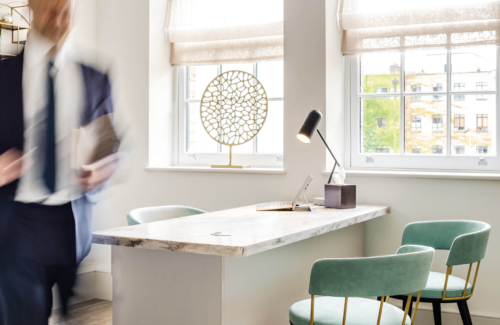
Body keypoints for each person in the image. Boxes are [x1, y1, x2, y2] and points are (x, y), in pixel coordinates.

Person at [0, 0, 121, 324]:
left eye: (66, 11)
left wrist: (101, 170)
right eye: (51, 10)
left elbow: (112, 146)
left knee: (69, 314)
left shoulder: (95, 77)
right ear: (31, 8)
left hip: (72, 224)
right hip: (16, 225)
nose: (58, 20)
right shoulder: (2, 75)